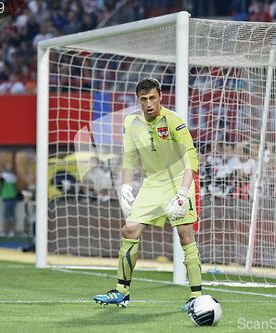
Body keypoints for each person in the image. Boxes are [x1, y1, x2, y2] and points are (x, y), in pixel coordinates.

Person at [93, 78, 202, 311]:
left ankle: (197, 296)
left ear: (160, 96)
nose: (149, 103)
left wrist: (183, 193)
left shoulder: (174, 121)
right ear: (138, 100)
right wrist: (125, 188)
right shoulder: (132, 122)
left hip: (177, 182)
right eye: (144, 99)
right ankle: (122, 292)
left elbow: (190, 160)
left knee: (185, 236)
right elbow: (130, 158)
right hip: (153, 184)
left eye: (152, 98)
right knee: (129, 230)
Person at [0, 165, 18, 237]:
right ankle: (9, 231)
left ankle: (9, 231)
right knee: (10, 214)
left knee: (8, 215)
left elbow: (0, 183)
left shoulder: (4, 176)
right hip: (11, 197)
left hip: (8, 197)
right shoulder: (13, 177)